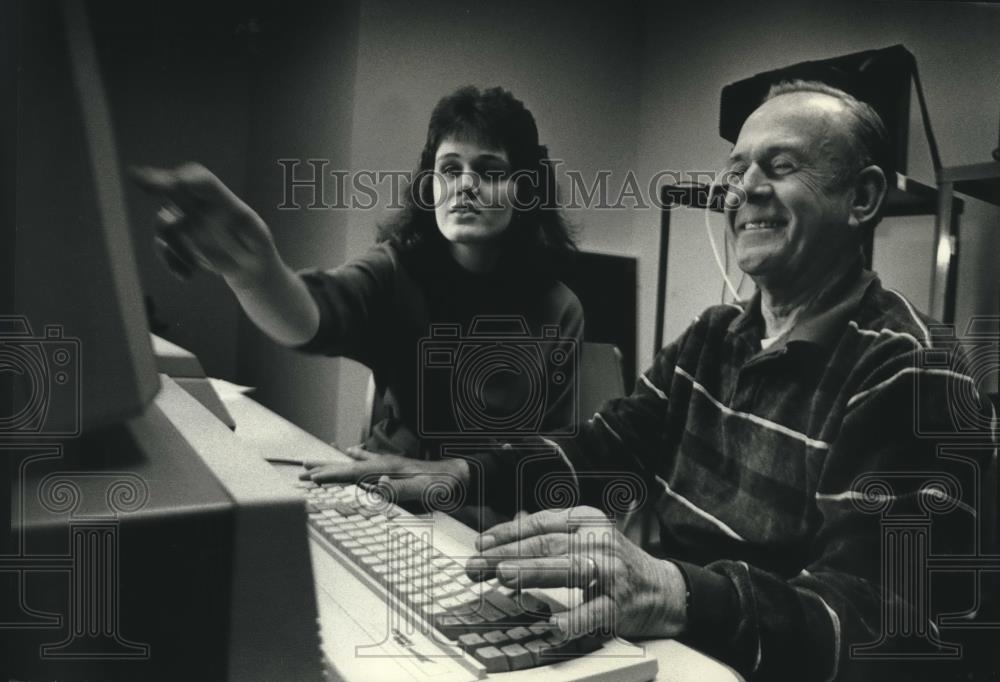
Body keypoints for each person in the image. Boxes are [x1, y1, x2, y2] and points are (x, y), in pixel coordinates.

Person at [328, 81, 994, 680]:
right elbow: (601, 448)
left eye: (781, 166)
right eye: (736, 171)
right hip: (675, 649)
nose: (746, 189)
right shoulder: (715, 335)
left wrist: (674, 592)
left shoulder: (914, 369)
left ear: (864, 197)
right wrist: (462, 477)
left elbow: (885, 623)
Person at [133, 86, 583, 474]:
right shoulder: (395, 271)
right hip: (388, 500)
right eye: (449, 169)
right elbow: (312, 316)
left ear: (524, 189)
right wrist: (253, 271)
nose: (465, 186)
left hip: (483, 522)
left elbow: (544, 462)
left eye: (489, 171)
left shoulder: (559, 310)